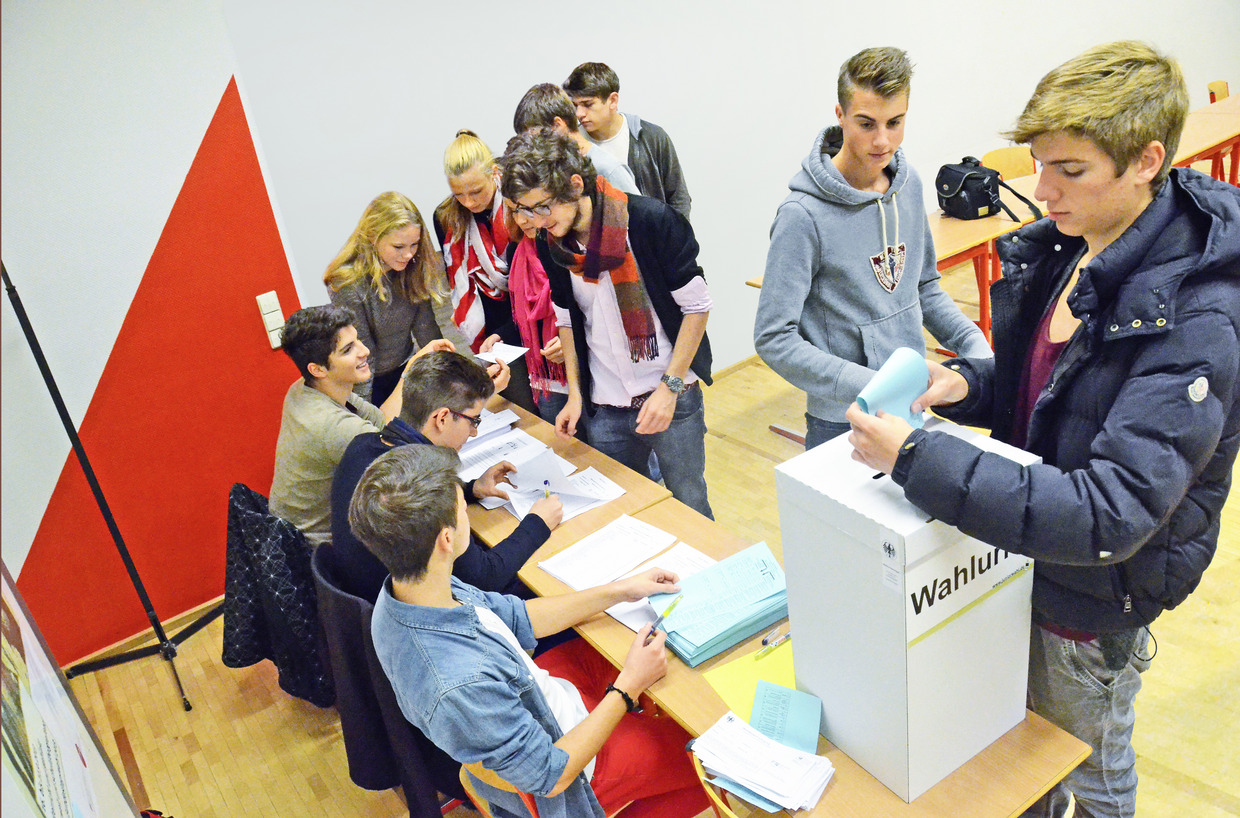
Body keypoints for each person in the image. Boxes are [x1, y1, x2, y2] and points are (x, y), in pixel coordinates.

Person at [846, 41, 1240, 818]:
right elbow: (1048, 391)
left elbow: (1109, 513)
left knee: (1090, 773)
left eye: (1070, 170)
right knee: (1022, 761)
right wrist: (968, 386)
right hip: (1027, 565)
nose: (1041, 189)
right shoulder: (1077, 245)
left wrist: (918, 457)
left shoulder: (1198, 320)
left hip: (1091, 604)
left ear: (1145, 161)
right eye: (1038, 163)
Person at [354, 444, 710, 818]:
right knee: (704, 753)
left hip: (541, 696)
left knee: (640, 664)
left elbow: (519, 617)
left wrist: (619, 590)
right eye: (463, 509)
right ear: (446, 539)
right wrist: (627, 688)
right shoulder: (458, 684)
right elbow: (552, 775)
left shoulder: (415, 589)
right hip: (569, 767)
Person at [754, 46, 991, 449]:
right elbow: (774, 337)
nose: (883, 140)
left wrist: (978, 354)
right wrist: (874, 385)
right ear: (840, 116)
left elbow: (924, 287)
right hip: (842, 419)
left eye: (895, 122)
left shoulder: (909, 184)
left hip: (913, 406)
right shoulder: (801, 215)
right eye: (866, 123)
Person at [498, 128, 714, 519]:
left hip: (670, 393)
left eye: (540, 207)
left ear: (575, 185)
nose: (533, 221)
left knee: (689, 504)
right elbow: (566, 317)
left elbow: (696, 309)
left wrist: (670, 388)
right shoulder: (554, 244)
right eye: (522, 210)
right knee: (622, 510)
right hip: (606, 403)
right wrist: (576, 395)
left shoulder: (651, 223)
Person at [330, 350, 562, 602]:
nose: (473, 433)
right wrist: (538, 523)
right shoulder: (427, 481)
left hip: (370, 602)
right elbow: (486, 579)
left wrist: (472, 489)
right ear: (441, 418)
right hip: (423, 613)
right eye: (474, 420)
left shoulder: (361, 445)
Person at [269, 304, 428, 545]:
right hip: (324, 551)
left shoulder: (306, 388)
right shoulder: (333, 426)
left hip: (297, 537)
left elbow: (382, 422)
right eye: (348, 350)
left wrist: (411, 369)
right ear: (318, 369)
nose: (364, 351)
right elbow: (408, 461)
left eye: (358, 340)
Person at [324, 192, 472, 406]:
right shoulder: (347, 283)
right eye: (399, 247)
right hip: (367, 380)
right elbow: (363, 354)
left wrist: (452, 384)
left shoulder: (411, 267)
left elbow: (427, 332)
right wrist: (362, 413)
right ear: (373, 236)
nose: (408, 255)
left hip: (406, 369)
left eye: (414, 245)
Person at [435, 130, 533, 412]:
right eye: (459, 194)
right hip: (495, 334)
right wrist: (498, 335)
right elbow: (463, 282)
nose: (468, 202)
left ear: (494, 173)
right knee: (519, 408)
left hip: (532, 317)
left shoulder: (519, 203)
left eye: (476, 191)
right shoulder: (446, 216)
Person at [563, 62, 691, 219]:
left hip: (653, 238)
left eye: (587, 104)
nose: (579, 113)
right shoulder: (571, 148)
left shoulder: (651, 137)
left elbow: (679, 197)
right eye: (575, 105)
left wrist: (676, 238)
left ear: (613, 100)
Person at [513, 82, 640, 195]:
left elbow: (640, 218)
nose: (530, 146)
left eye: (534, 137)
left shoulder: (609, 170)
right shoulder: (557, 169)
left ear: (557, 125)